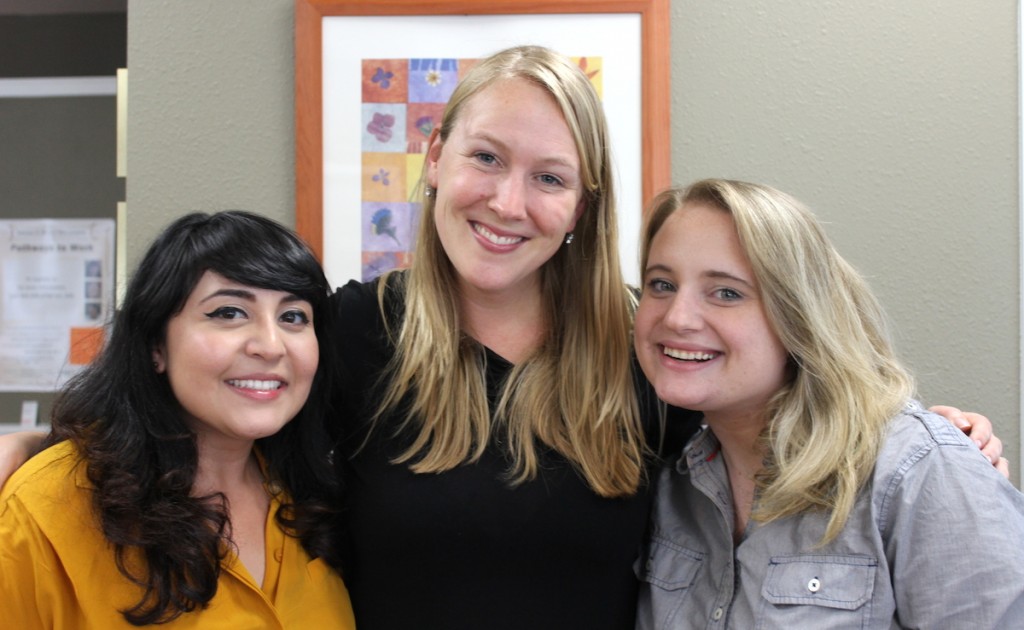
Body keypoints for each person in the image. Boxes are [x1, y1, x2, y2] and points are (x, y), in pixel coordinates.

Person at [0, 46, 1003, 630]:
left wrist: (931, 436)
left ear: (582, 205)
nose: (506, 201)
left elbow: (771, 423)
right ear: (433, 158)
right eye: (485, 157)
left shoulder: (644, 352)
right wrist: (27, 453)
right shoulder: (350, 333)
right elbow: (200, 404)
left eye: (549, 177)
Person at [632, 180, 1024, 629]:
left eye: (726, 292)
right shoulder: (667, 481)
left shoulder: (916, 473)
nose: (677, 317)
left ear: (798, 313)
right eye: (661, 284)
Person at [0, 211, 355, 628]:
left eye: (293, 316)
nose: (271, 346)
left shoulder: (316, 494)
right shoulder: (47, 507)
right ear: (156, 346)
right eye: (229, 312)